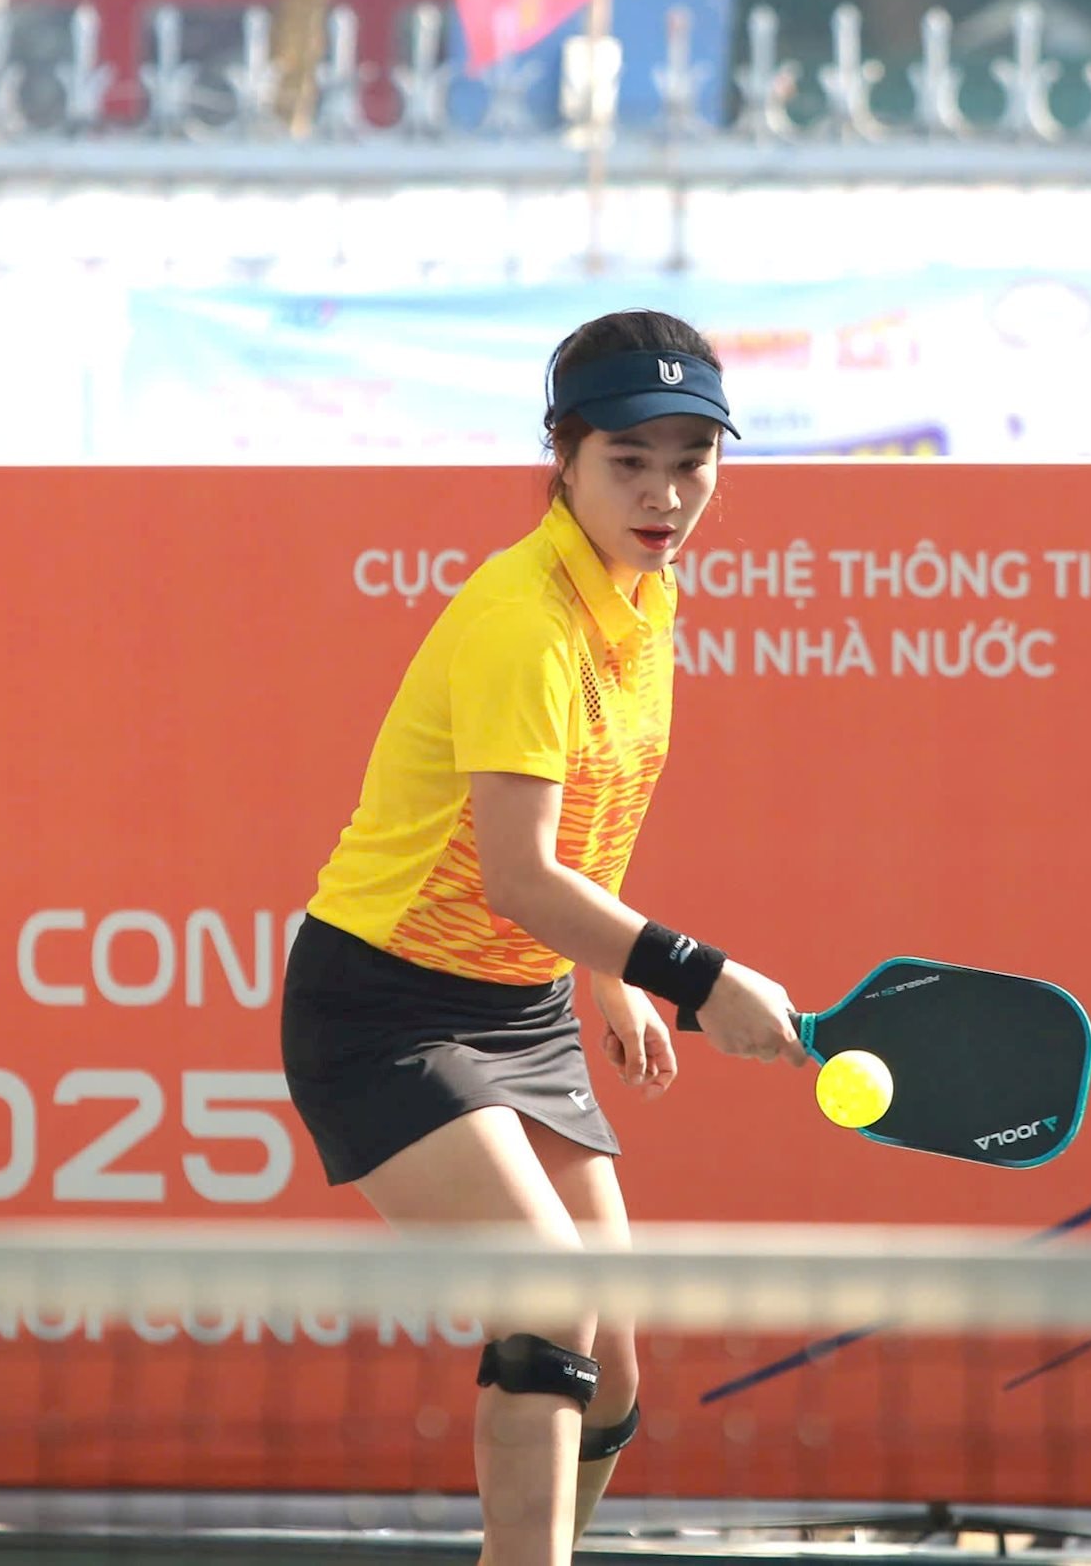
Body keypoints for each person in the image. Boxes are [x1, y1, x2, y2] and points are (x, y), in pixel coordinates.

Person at [280, 309, 810, 1566]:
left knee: (610, 1361)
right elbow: (519, 875)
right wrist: (695, 978)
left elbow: (586, 822)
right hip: (384, 1007)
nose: (664, 493)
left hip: (517, 1006)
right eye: (628, 461)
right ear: (561, 457)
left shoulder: (645, 594)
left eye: (691, 460)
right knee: (550, 1300)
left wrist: (605, 977)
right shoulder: (525, 620)